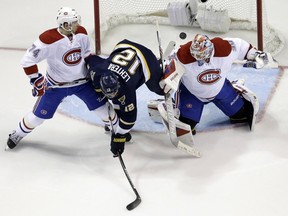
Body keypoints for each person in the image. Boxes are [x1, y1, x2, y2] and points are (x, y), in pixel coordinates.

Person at [6, 7, 110, 150]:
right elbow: (27, 60)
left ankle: (115, 130)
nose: (77, 24)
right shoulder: (47, 39)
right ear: (66, 25)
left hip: (83, 83)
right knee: (37, 118)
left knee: (103, 110)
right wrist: (36, 80)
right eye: (74, 22)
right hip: (56, 86)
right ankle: (17, 134)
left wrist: (95, 69)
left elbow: (86, 54)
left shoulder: (82, 33)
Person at [85, 39, 166, 156]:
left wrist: (119, 137)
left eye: (113, 92)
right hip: (124, 46)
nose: (111, 96)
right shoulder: (97, 72)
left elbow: (129, 119)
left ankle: (161, 67)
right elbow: (91, 60)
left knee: (160, 88)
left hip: (146, 58)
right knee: (118, 100)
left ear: (118, 83)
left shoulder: (126, 89)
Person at [173, 34, 268, 133]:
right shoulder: (181, 56)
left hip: (220, 89)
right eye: (197, 55)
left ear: (210, 50)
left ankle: (235, 87)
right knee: (186, 125)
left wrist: (256, 54)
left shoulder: (224, 48)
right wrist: (164, 80)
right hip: (192, 94)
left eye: (202, 55)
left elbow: (242, 47)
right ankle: (175, 105)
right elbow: (167, 70)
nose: (200, 59)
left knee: (240, 114)